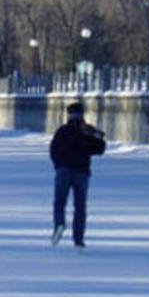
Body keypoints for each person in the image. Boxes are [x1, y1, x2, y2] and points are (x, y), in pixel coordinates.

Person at [49, 102, 106, 250]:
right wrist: (99, 138)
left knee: (59, 202)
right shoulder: (87, 130)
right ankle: (78, 238)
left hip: (63, 170)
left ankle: (59, 225)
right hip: (82, 171)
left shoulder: (62, 130)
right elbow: (99, 149)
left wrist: (58, 165)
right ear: (82, 114)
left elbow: (53, 149)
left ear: (68, 115)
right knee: (80, 206)